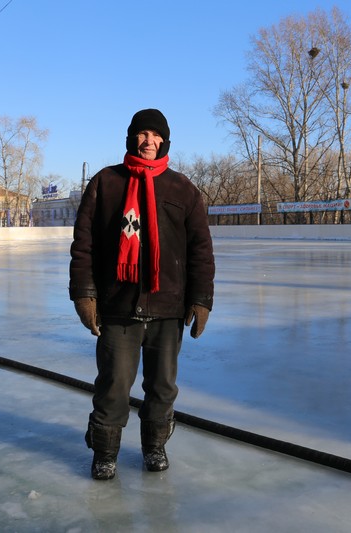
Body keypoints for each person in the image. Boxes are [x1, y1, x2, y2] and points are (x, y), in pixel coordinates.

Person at [69, 108, 215, 480]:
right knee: (113, 385)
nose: (149, 141)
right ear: (131, 138)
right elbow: (84, 244)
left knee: (162, 386)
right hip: (118, 306)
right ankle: (105, 452)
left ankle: (154, 446)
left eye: (156, 135)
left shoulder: (183, 189)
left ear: (165, 141)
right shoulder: (106, 182)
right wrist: (85, 294)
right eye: (142, 134)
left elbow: (200, 248)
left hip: (168, 307)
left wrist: (201, 298)